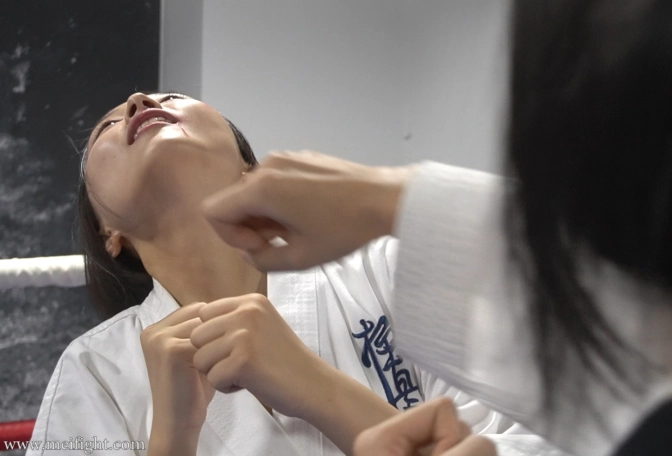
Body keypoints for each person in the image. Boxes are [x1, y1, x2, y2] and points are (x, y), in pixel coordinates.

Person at [200, 0, 672, 454]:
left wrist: (324, 390)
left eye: (178, 100)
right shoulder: (123, 367)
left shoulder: (385, 260)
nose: (153, 102)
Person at [28, 92, 557, 456]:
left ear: (248, 167)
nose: (140, 101)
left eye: (173, 98)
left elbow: (539, 444)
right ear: (108, 232)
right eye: (107, 126)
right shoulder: (95, 370)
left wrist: (315, 387)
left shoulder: (386, 266)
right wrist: (171, 442)